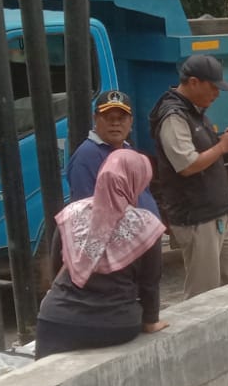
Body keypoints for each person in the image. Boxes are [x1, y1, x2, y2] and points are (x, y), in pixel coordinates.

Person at [37, 149, 167, 359]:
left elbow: (56, 269)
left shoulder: (71, 214)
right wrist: (151, 321)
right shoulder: (146, 225)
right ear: (137, 180)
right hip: (115, 324)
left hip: (55, 320)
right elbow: (149, 283)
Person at [149, 53, 228, 297]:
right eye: (213, 87)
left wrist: (222, 140)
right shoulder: (173, 116)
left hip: (218, 212)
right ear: (193, 82)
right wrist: (222, 147)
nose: (216, 94)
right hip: (196, 216)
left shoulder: (194, 111)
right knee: (203, 292)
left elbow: (201, 151)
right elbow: (187, 165)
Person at [67, 88, 159, 215]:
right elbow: (87, 214)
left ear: (131, 121)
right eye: (108, 117)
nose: (115, 123)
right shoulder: (86, 156)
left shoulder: (128, 150)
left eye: (121, 118)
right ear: (95, 119)